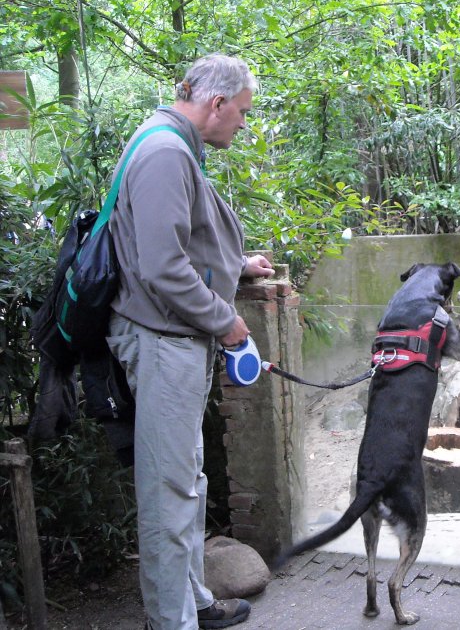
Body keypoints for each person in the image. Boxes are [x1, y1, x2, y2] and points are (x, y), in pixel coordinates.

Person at [106, 54, 274, 630]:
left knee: (186, 478)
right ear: (216, 103)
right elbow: (163, 265)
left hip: (174, 338)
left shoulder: (173, 142)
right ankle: (170, 620)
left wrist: (236, 263)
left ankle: (193, 601)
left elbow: (184, 240)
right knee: (168, 489)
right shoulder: (163, 152)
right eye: (243, 113)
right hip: (161, 340)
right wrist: (224, 321)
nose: (244, 125)